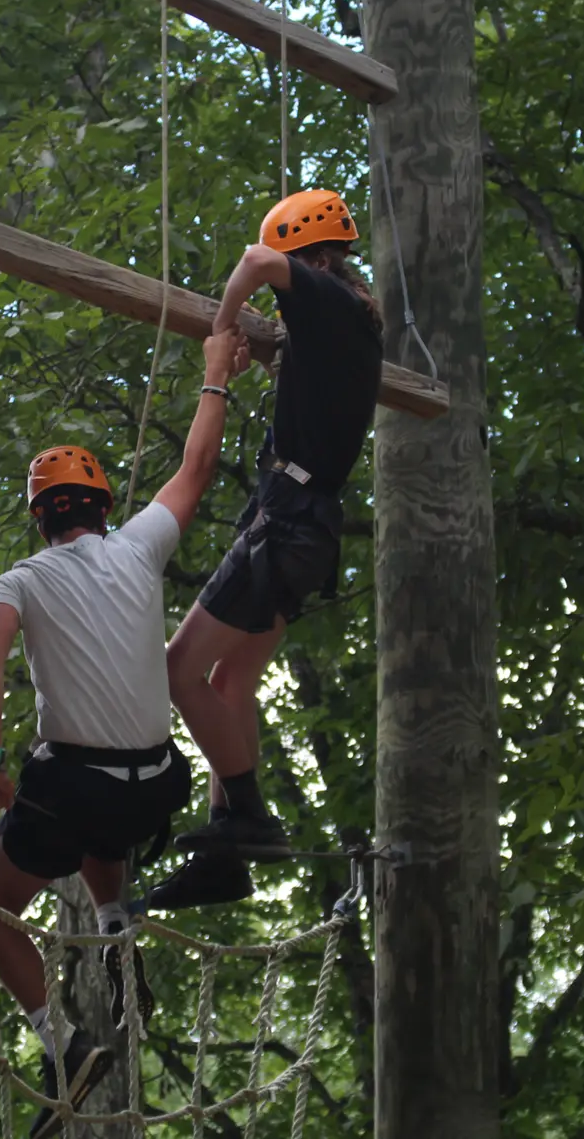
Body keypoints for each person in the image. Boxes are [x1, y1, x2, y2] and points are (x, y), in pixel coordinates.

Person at [0, 327, 250, 1139]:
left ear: (40, 517)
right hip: (157, 783)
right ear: (100, 507)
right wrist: (215, 375)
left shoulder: (22, 577)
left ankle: (62, 1044)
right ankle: (118, 928)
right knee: (100, 813)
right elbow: (194, 469)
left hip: (80, 789)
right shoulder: (140, 547)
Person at [146, 190, 385, 911]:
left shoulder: (328, 298)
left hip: (286, 524)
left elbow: (255, 261)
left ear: (310, 254)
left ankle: (247, 813)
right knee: (229, 683)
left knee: (178, 670)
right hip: (301, 526)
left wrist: (220, 338)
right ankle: (231, 849)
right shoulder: (347, 323)